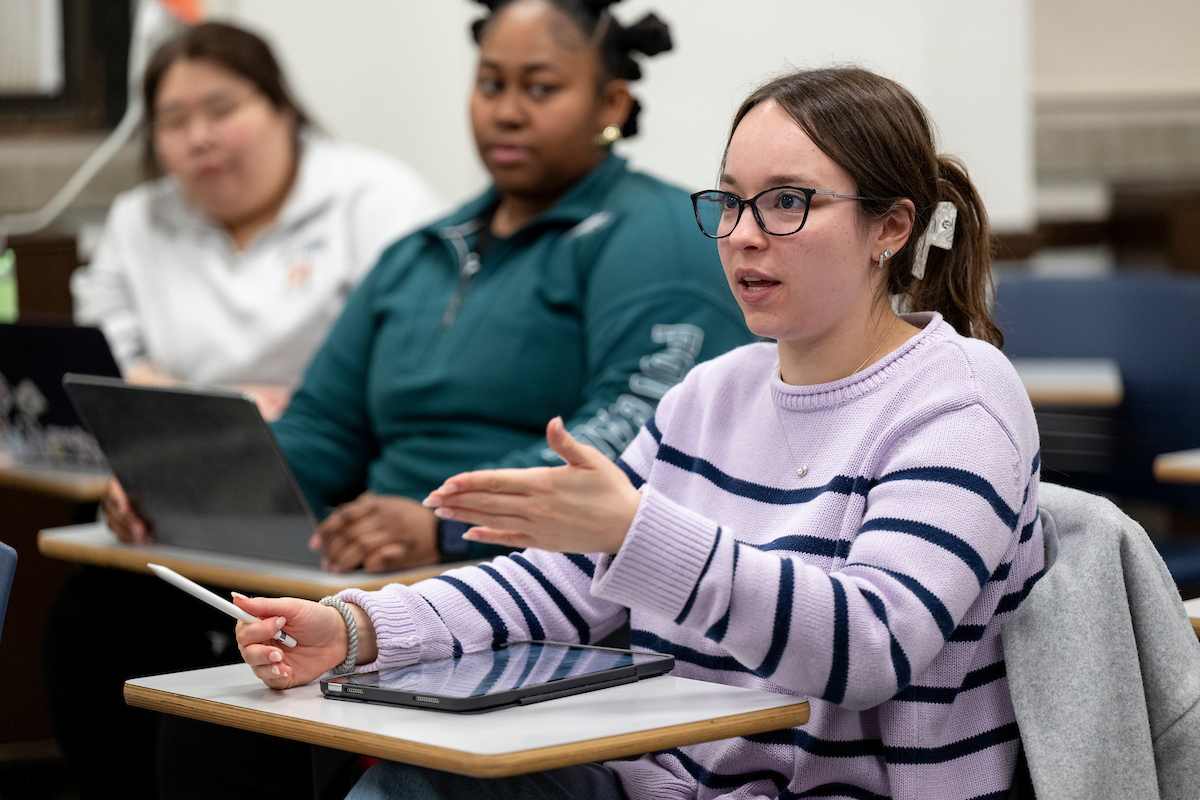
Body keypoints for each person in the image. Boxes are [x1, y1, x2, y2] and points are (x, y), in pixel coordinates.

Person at [234, 66, 1044, 800]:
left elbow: (869, 646)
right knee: (415, 781)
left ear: (890, 228)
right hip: (661, 783)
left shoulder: (960, 400)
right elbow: (563, 583)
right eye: (729, 201)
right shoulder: (711, 393)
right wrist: (356, 627)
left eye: (789, 201)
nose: (744, 234)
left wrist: (637, 532)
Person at [66, 2, 752, 799]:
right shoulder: (424, 250)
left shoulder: (654, 232)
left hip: (524, 594)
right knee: (116, 633)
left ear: (610, 106)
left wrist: (443, 522)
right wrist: (180, 478)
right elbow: (323, 424)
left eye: (540, 86)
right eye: (490, 82)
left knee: (240, 733)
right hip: (370, 573)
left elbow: (628, 445)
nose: (505, 108)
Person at [72, 22, 442, 421]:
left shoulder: (377, 197)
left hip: (343, 443)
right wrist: (223, 408)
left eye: (222, 110)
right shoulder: (137, 221)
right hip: (181, 441)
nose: (199, 138)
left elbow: (421, 354)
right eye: (175, 122)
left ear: (282, 108)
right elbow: (108, 366)